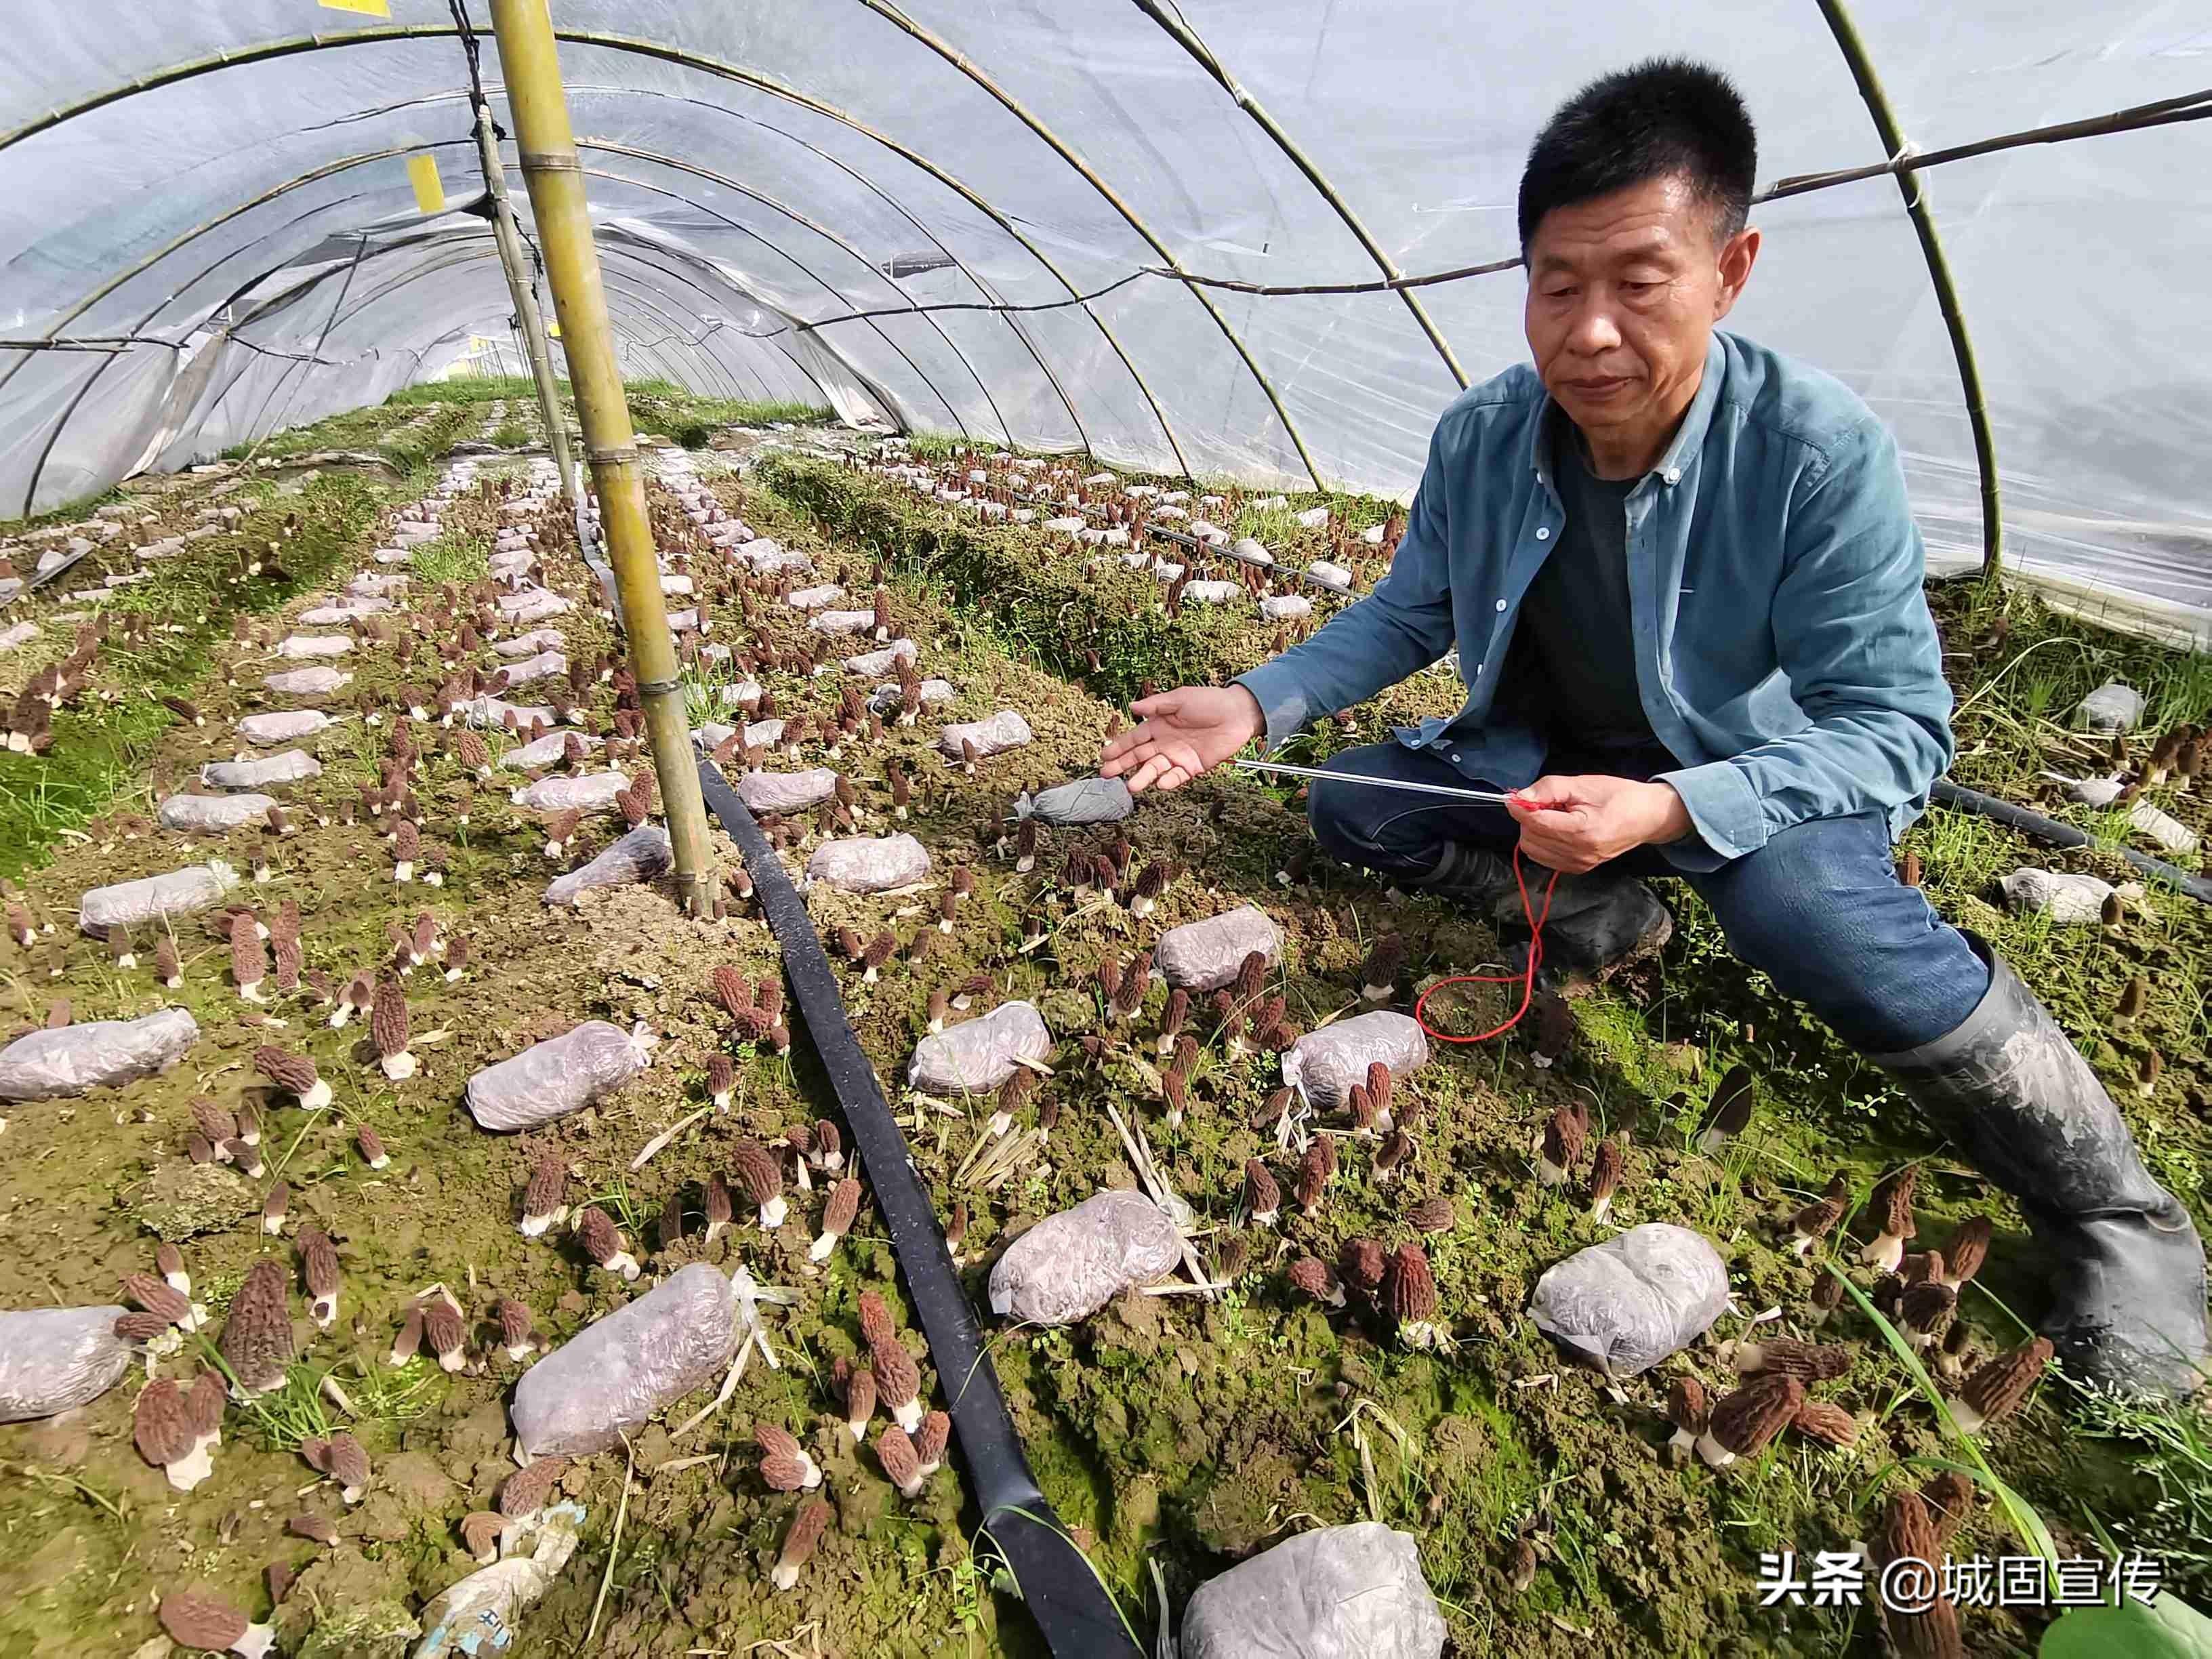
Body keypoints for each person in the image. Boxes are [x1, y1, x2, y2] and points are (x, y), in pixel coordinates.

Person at [1099, 59, 2207, 1399]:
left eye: (1640, 281)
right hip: (1556, 768)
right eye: (1557, 286)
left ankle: (2115, 1215)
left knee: (1800, 912)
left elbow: (1896, 725)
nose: (1592, 331)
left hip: (1755, 786)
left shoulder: (1813, 452)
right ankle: (1601, 916)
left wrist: (1678, 809)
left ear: (1730, 270)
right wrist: (1256, 701)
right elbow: (1413, 614)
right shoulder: (1484, 436)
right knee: (1353, 803)